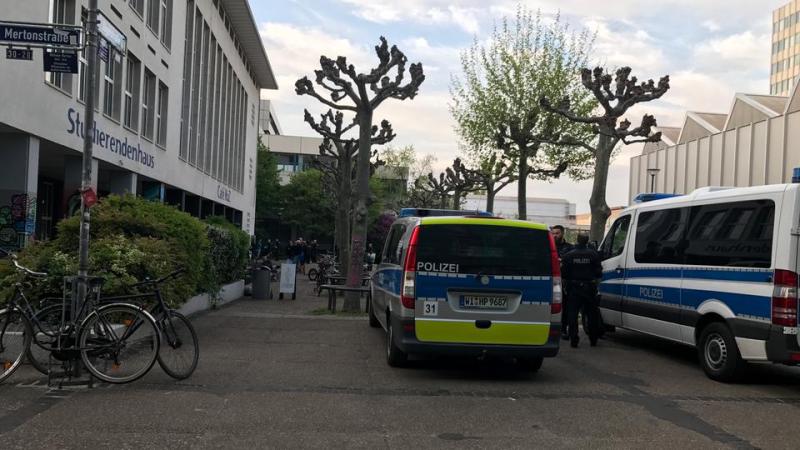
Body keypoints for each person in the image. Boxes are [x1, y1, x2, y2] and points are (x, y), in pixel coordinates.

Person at [561, 233, 603, 348]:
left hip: (574, 288)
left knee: (572, 314)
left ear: (577, 240)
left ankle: (574, 338)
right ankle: (593, 339)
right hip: (589, 288)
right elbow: (599, 272)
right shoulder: (593, 255)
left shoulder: (569, 255)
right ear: (587, 241)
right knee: (591, 314)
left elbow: (564, 273)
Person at [551, 225, 573, 340]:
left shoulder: (569, 248)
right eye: (553, 233)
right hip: (551, 280)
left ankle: (563, 328)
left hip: (564, 281)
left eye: (557, 233)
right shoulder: (548, 246)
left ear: (562, 234)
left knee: (564, 306)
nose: (555, 235)